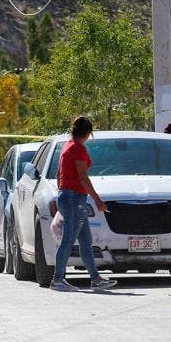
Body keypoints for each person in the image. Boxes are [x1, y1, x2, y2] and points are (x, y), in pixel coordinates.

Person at [50, 116, 117, 292]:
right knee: (68, 240)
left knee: (86, 241)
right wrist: (97, 200)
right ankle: (57, 279)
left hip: (70, 197)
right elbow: (83, 177)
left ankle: (95, 279)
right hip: (74, 199)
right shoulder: (78, 149)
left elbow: (59, 173)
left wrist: (62, 192)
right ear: (88, 133)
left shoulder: (67, 146)